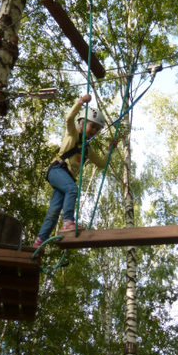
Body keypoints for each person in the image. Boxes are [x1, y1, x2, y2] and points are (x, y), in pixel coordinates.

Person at [33, 94, 117, 248]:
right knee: (72, 189)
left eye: (97, 129)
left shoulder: (87, 148)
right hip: (57, 169)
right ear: (82, 123)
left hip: (65, 177)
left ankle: (39, 242)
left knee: (54, 210)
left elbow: (101, 163)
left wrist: (109, 150)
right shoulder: (72, 134)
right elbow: (69, 119)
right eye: (92, 126)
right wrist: (81, 102)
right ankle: (68, 221)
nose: (94, 130)